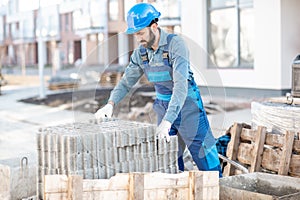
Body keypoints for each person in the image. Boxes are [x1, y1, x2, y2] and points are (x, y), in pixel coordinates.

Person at [95, 2, 222, 177]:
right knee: (168, 162)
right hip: (163, 105)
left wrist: (168, 121)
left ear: (154, 26)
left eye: (141, 33)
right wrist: (110, 103)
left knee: (206, 160)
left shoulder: (175, 45)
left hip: (188, 106)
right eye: (135, 34)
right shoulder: (141, 53)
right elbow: (126, 82)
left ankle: (218, 189)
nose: (138, 39)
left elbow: (180, 87)